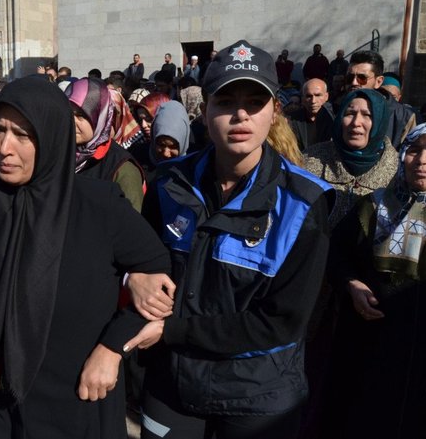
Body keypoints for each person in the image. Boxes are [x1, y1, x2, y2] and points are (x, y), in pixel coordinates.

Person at [0, 75, 170, 439]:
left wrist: (112, 349)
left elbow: (158, 273)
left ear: (53, 137)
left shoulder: (98, 206)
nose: (4, 148)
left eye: (23, 135)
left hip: (75, 403)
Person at [131, 39, 333, 439]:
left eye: (254, 102)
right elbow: (138, 256)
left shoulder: (304, 203)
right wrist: (134, 278)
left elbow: (282, 323)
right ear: (204, 110)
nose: (240, 113)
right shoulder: (169, 181)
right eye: (225, 101)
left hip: (257, 396)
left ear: (274, 111)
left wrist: (173, 331)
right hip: (173, 386)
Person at [324, 124, 426, 439]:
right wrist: (351, 284)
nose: (422, 160)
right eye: (414, 150)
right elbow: (335, 254)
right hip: (369, 342)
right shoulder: (373, 207)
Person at [304, 89, 399, 228]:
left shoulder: (399, 171)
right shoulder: (309, 160)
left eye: (367, 115)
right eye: (350, 113)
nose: (356, 122)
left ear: (380, 121)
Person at [65, 77, 146, 210]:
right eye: (68, 112)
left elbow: (129, 225)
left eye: (81, 114)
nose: (72, 121)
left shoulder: (122, 169)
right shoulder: (60, 153)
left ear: (100, 117)